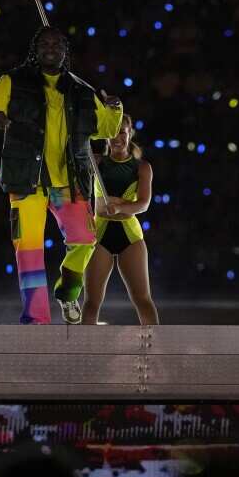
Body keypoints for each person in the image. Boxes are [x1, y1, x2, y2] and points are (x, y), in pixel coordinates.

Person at [0, 26, 122, 325]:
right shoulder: (14, 81)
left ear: (65, 51)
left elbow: (106, 129)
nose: (51, 48)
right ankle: (36, 318)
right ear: (36, 49)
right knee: (29, 249)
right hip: (28, 180)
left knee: (84, 238)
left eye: (57, 44)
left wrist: (114, 108)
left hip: (69, 182)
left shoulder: (81, 90)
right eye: (44, 43)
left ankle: (68, 292)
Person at [60, 114, 159, 325]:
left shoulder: (142, 168)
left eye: (122, 132)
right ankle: (86, 352)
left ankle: (156, 350)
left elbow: (143, 204)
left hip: (130, 236)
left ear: (129, 134)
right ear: (105, 136)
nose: (117, 137)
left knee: (143, 299)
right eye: (112, 132)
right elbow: (69, 159)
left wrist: (120, 206)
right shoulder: (95, 162)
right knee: (92, 301)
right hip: (99, 236)